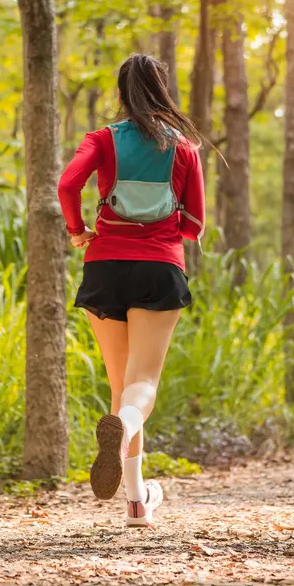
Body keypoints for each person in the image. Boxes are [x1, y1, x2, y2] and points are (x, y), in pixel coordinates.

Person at [56, 54, 205, 528]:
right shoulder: (183, 148)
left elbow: (67, 185)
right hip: (159, 268)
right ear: (163, 90)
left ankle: (137, 501)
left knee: (120, 387)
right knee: (142, 387)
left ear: (121, 93)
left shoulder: (102, 139)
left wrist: (78, 230)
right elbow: (194, 226)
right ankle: (125, 441)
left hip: (104, 267)